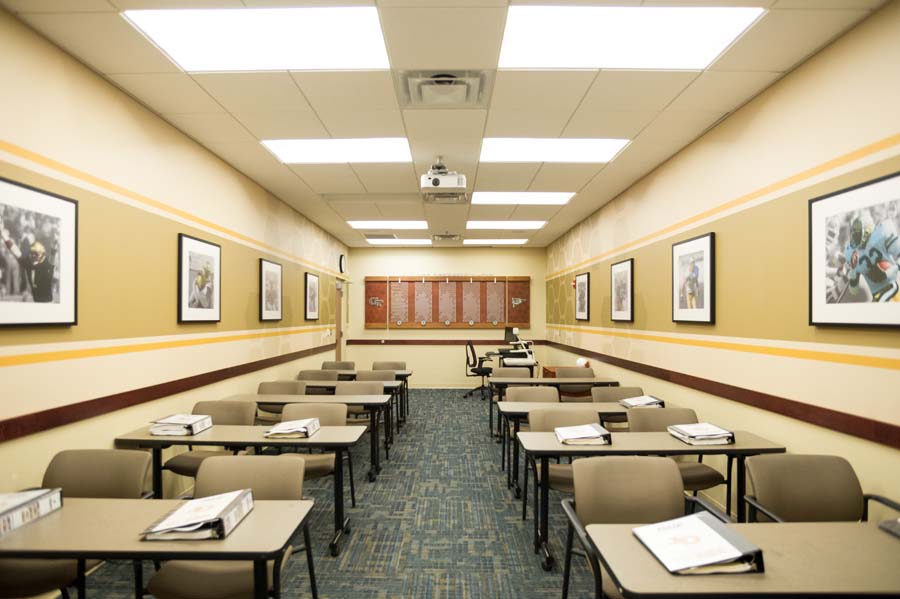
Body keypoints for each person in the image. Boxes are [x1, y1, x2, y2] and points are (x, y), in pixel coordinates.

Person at [842, 210, 900, 302]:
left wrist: (890, 271)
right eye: (853, 232)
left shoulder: (882, 233)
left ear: (867, 231)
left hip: (894, 287)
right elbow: (854, 290)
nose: (853, 236)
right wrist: (853, 270)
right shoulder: (852, 253)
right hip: (877, 295)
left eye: (856, 232)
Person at [1, 227, 54, 302]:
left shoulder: (45, 265)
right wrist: (4, 236)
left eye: (36, 253)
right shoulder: (29, 264)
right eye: (32, 253)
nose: (33, 255)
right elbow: (15, 250)